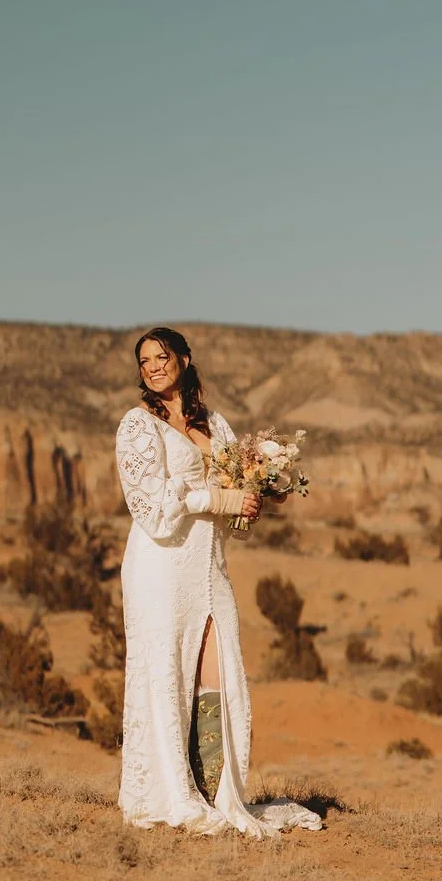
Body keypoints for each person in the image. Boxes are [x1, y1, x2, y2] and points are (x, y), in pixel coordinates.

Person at [114, 326, 321, 837]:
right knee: (165, 672)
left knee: (218, 671)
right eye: (144, 362)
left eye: (161, 357)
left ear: (184, 359)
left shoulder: (218, 426)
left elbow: (233, 516)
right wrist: (219, 500)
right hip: (160, 566)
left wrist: (257, 498)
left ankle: (217, 791)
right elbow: (153, 508)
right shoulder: (138, 426)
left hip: (208, 566)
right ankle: (172, 792)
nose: (153, 367)